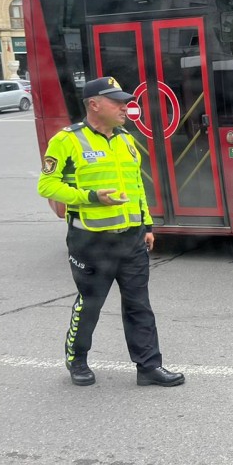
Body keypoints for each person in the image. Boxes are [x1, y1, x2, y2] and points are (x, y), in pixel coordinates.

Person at [37, 76, 185, 388]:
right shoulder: (67, 140)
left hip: (130, 239)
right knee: (90, 303)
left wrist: (146, 225)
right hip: (91, 241)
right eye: (117, 101)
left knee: (138, 304)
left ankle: (148, 367)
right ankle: (77, 359)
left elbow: (137, 188)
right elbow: (46, 185)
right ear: (94, 105)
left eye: (125, 100)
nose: (126, 106)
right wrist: (91, 197)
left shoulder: (125, 141)